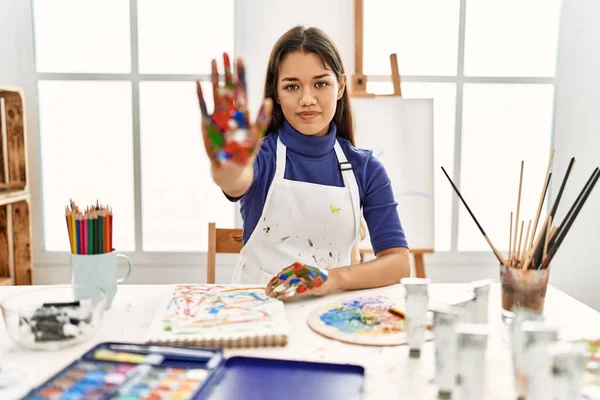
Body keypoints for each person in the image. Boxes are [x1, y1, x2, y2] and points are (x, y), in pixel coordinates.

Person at [196, 26, 410, 301]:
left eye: (320, 83)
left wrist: (332, 278)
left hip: (330, 316)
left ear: (341, 85)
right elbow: (235, 181)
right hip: (256, 312)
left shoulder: (365, 168)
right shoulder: (264, 156)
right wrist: (227, 164)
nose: (307, 99)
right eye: (292, 86)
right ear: (277, 91)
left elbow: (398, 261)